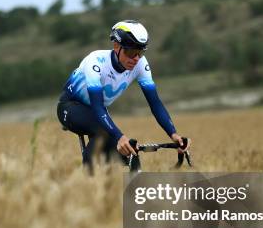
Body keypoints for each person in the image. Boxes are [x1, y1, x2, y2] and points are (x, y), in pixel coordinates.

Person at [57, 20, 190, 169]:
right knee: (104, 134)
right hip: (70, 106)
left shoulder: (140, 64)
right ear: (116, 46)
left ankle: (133, 187)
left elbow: (155, 103)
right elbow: (97, 106)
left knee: (130, 151)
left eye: (140, 52)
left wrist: (173, 134)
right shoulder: (95, 61)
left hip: (98, 113)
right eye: (131, 52)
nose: (136, 59)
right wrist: (119, 136)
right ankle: (88, 185)